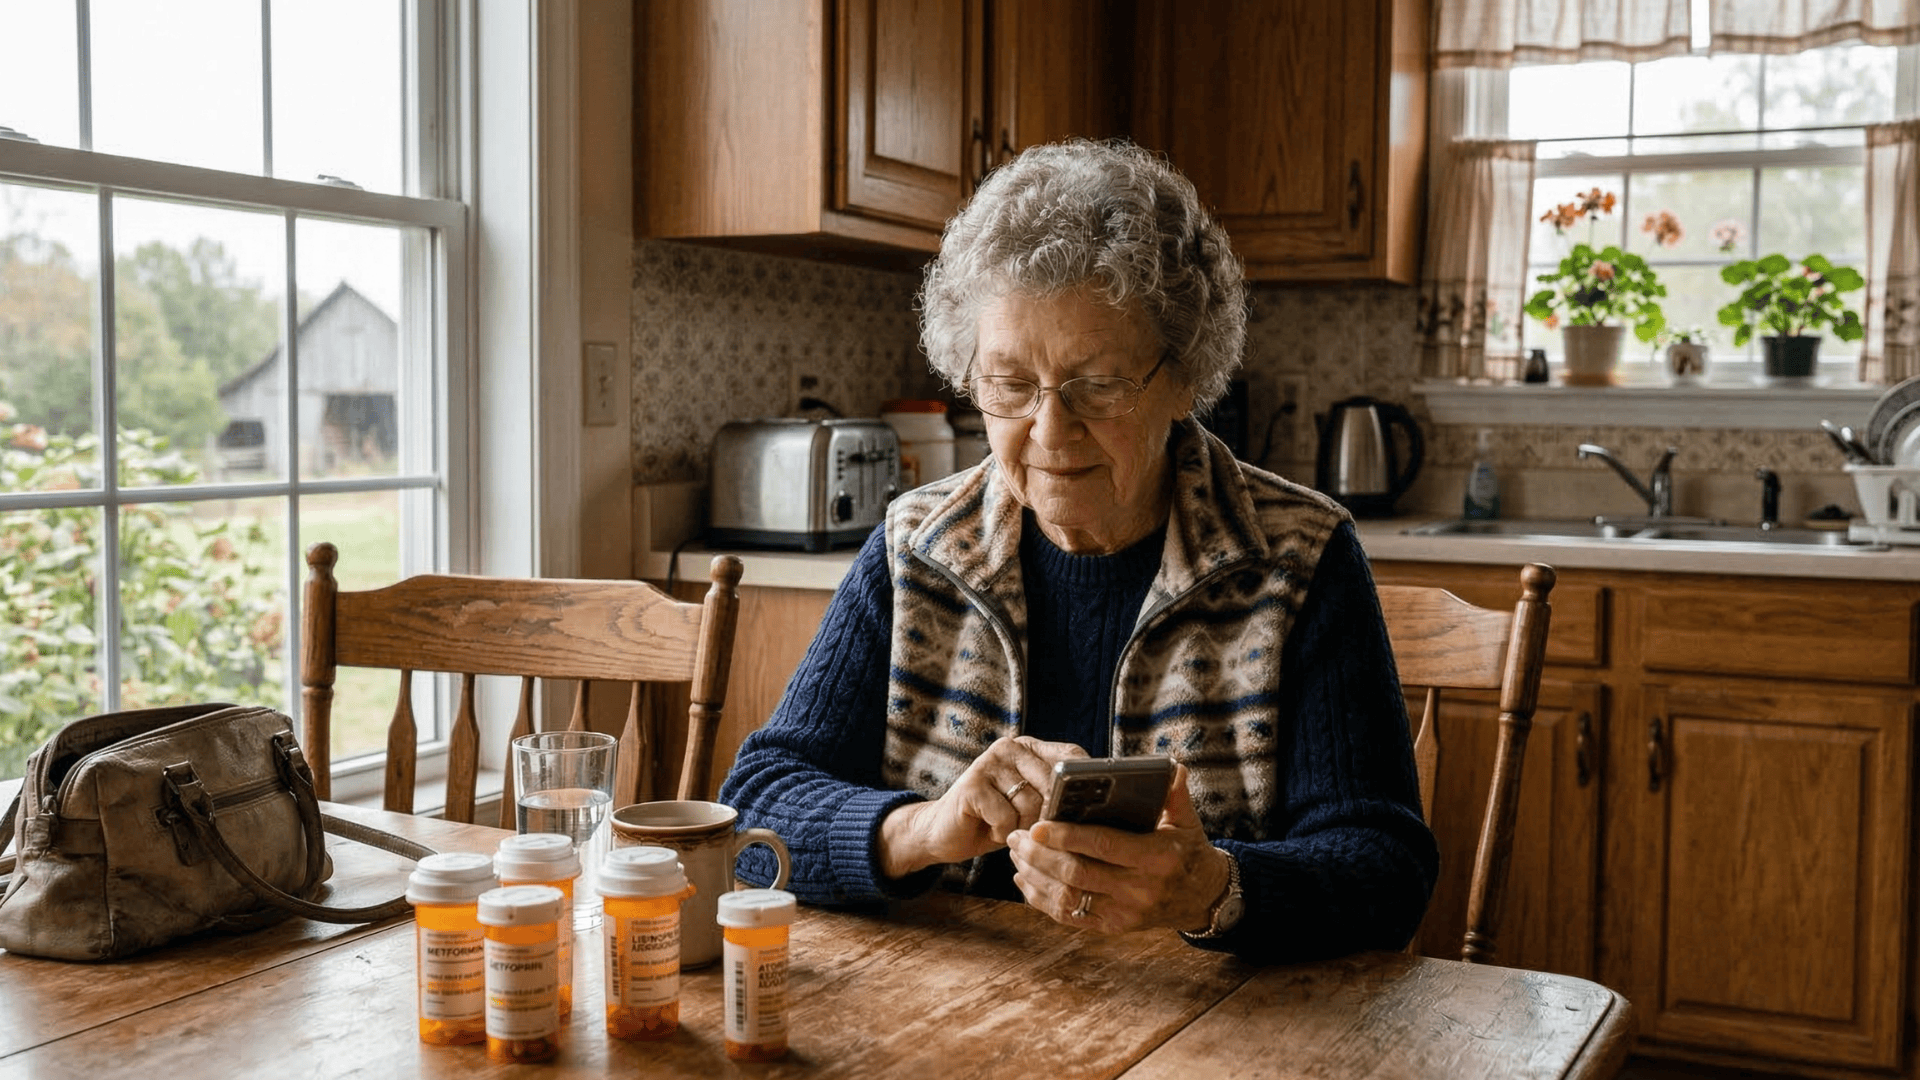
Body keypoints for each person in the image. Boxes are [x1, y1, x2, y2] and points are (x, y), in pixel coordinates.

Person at [718, 139, 1436, 963]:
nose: (1050, 432)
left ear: (1183, 379)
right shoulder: (917, 546)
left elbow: (1387, 873)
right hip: (956, 1008)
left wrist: (1214, 888)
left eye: (1097, 385)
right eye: (1010, 384)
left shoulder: (1297, 559)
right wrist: (924, 827)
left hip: (1210, 1029)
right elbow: (755, 817)